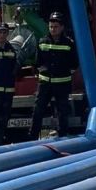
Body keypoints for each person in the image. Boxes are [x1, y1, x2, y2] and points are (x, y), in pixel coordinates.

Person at [30, 11, 79, 139]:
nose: (53, 29)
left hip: (62, 84)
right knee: (38, 111)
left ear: (62, 27)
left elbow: (74, 64)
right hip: (45, 84)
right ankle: (33, 137)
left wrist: (62, 71)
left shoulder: (68, 43)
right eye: (51, 26)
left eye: (56, 27)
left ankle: (62, 137)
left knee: (62, 112)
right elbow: (37, 62)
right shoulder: (42, 41)